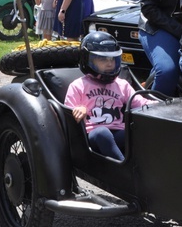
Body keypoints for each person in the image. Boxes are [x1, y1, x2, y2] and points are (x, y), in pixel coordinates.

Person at [65, 32, 153, 161]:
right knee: (103, 132)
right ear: (88, 59)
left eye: (112, 59)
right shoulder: (78, 85)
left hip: (117, 133)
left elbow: (142, 103)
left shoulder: (122, 84)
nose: (109, 63)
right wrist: (79, 109)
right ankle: (125, 171)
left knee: (138, 134)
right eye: (103, 59)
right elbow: (67, 113)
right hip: (92, 136)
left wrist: (166, 105)